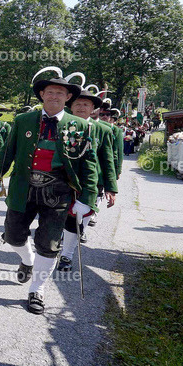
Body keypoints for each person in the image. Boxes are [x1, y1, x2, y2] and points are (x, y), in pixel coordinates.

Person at [0, 68, 98, 315]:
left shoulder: (80, 125)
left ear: (68, 97)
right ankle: (27, 260)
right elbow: (8, 151)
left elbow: (89, 164)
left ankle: (37, 289)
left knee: (48, 244)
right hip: (23, 187)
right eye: (50, 92)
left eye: (61, 93)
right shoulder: (22, 120)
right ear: (42, 94)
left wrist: (87, 199)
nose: (55, 97)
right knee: (13, 234)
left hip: (58, 192)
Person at [58, 88, 118, 268]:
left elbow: (108, 160)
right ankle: (52, 249)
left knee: (78, 219)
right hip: (62, 180)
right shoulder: (61, 124)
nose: (81, 107)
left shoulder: (102, 129)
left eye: (86, 104)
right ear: (71, 106)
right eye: (77, 103)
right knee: (60, 216)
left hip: (91, 183)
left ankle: (66, 255)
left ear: (93, 108)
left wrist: (111, 188)